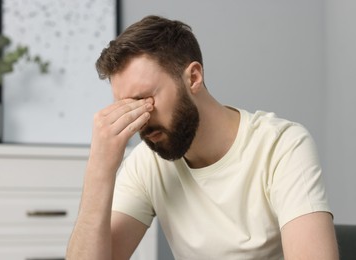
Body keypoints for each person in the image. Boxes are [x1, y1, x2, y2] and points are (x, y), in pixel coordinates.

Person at [66, 15, 339, 259]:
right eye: (125, 107)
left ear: (193, 77)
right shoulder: (146, 164)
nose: (140, 119)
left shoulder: (282, 146)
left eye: (144, 100)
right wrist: (99, 170)